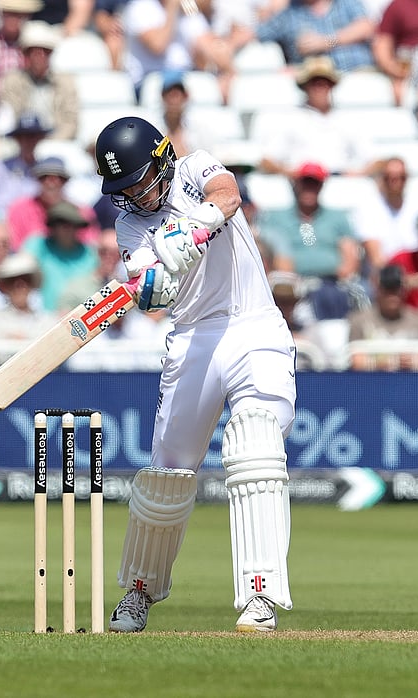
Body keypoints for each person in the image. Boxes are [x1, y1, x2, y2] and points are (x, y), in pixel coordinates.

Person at [92, 115, 296, 633]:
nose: (134, 197)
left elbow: (227, 194)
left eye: (138, 183)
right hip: (192, 337)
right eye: (124, 191)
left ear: (161, 160)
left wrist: (195, 227)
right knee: (167, 473)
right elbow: (151, 295)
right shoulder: (130, 225)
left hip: (254, 325)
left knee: (256, 446)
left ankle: (260, 597)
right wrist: (158, 274)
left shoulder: (193, 168)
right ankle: (139, 592)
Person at [260, 161, 362, 320]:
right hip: (291, 285)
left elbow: (350, 254)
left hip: (330, 283)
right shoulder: (276, 217)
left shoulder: (337, 217)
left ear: (321, 186)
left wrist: (340, 275)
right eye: (305, 183)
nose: (310, 188)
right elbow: (268, 252)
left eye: (315, 183)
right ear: (296, 184)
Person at [259, 57, 373, 178]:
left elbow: (375, 160)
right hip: (305, 185)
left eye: (325, 82)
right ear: (305, 86)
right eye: (314, 82)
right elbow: (267, 161)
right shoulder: (291, 119)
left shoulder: (348, 119)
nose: (320, 87)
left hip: (340, 183)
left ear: (331, 85)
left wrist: (358, 174)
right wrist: (292, 173)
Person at [1, 20, 77, 139]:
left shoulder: (65, 82)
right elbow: (10, 118)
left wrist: (53, 141)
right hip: (23, 141)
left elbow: (71, 121)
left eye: (44, 51)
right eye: (34, 52)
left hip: (56, 141)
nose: (39, 56)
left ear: (50, 54)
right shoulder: (13, 81)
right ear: (26, 54)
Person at [6, 157, 99, 250]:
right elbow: (15, 245)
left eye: (59, 178)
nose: (51, 182)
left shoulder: (82, 212)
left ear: (65, 181)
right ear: (37, 179)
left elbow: (90, 246)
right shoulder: (19, 209)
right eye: (44, 177)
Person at [255, 0, 375, 72]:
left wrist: (326, 42)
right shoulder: (289, 12)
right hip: (314, 86)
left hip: (357, 75)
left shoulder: (345, 2)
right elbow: (255, 34)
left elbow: (366, 27)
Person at [21, 201, 98, 311]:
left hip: (82, 318)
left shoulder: (90, 252)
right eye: (61, 223)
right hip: (44, 317)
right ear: (52, 226)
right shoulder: (38, 244)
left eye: (71, 224)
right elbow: (22, 269)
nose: (67, 229)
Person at [347, 264, 418, 370]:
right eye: (387, 289)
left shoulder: (417, 320)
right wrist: (391, 362)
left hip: (407, 382)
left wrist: (412, 362)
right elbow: (356, 363)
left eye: (396, 289)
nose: (392, 295)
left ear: (404, 290)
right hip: (371, 382)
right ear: (378, 290)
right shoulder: (359, 320)